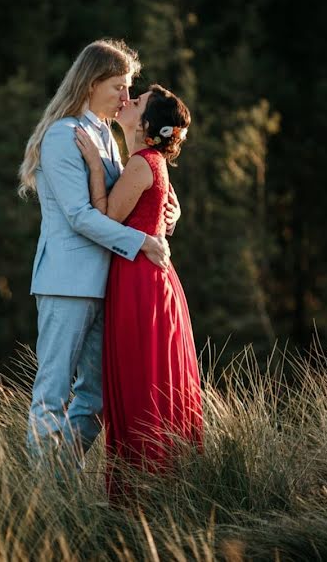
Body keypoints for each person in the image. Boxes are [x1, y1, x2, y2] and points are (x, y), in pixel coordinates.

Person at [18, 39, 180, 471]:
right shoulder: (62, 135)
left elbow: (136, 188)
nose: (126, 97)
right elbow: (79, 216)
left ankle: (61, 478)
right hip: (67, 282)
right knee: (52, 392)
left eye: (129, 88)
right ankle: (45, 493)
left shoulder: (105, 137)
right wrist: (142, 243)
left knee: (96, 399)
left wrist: (170, 208)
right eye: (118, 87)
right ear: (90, 83)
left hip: (107, 284)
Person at [75, 84, 202, 501]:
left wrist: (94, 164)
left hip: (140, 284)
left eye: (139, 101)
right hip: (145, 278)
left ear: (147, 126)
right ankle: (159, 490)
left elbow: (106, 216)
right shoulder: (146, 161)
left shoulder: (142, 163)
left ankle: (142, 496)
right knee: (145, 383)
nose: (128, 99)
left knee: (141, 385)